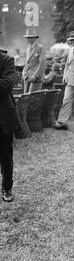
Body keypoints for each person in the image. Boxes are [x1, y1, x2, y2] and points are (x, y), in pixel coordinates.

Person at [0, 39, 18, 202]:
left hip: (3, 118)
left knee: (5, 156)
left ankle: (7, 188)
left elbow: (7, 84)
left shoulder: (7, 60)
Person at [22, 28, 46, 93]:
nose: (29, 39)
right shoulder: (28, 49)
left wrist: (35, 75)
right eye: (28, 38)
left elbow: (42, 63)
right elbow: (27, 63)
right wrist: (24, 73)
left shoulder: (40, 47)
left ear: (35, 38)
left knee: (33, 98)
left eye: (31, 38)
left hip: (36, 77)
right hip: (27, 77)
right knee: (25, 97)